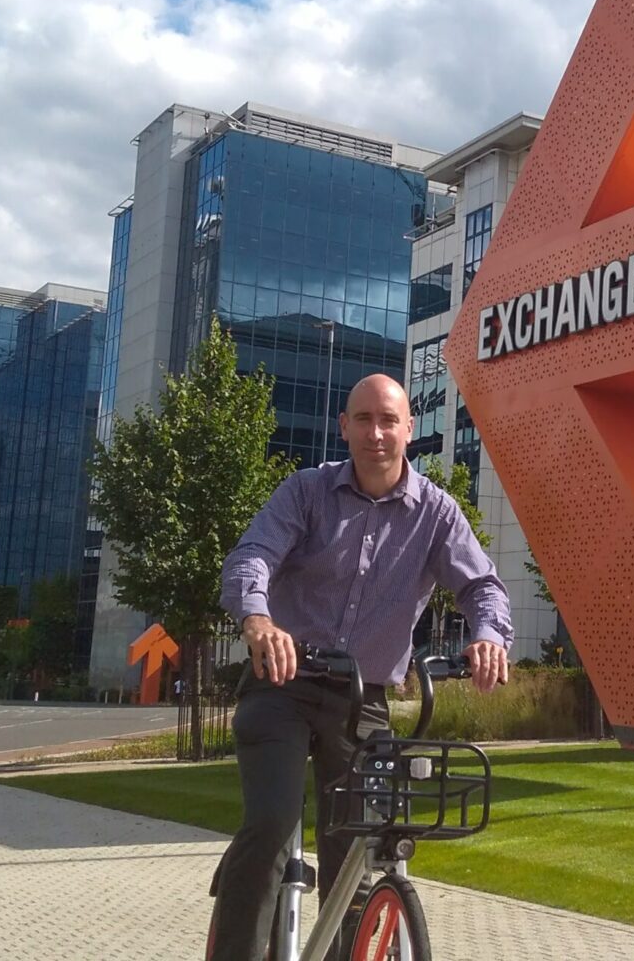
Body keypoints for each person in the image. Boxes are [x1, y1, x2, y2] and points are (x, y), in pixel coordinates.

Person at [209, 374, 514, 960]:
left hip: (362, 699)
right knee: (272, 825)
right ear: (344, 426)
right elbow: (253, 556)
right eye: (364, 420)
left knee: (358, 846)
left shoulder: (436, 513)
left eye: (389, 420)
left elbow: (482, 586)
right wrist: (257, 619)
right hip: (282, 683)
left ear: (409, 430)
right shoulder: (306, 492)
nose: (377, 433)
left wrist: (487, 635)